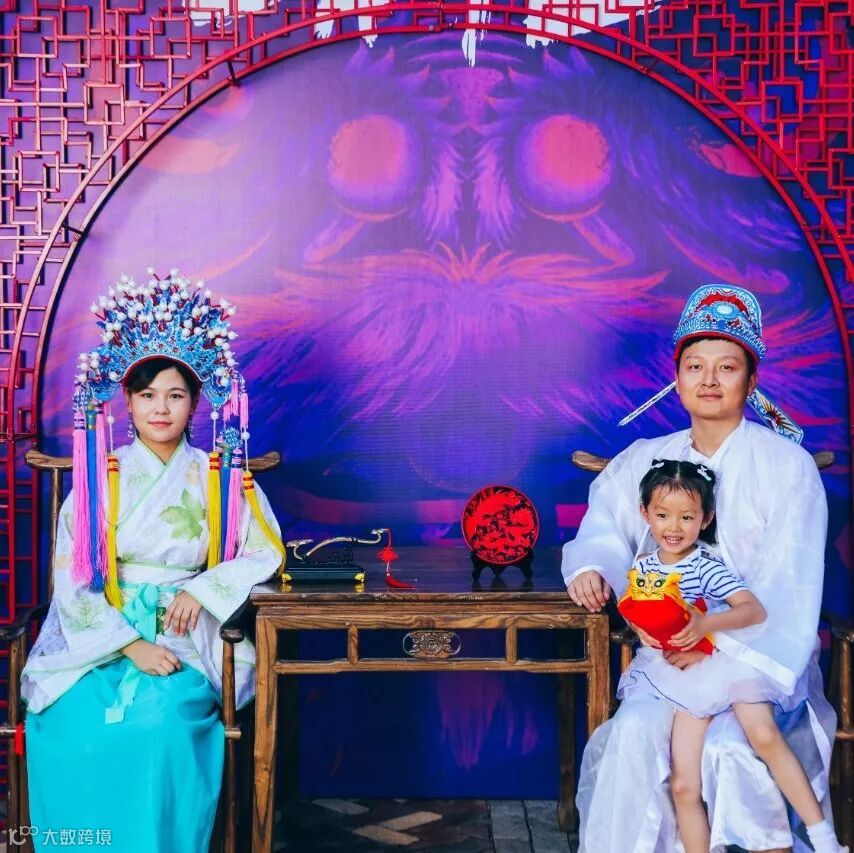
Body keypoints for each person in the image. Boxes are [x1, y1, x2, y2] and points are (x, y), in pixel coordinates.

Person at [563, 284, 839, 853]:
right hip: (669, 658)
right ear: (677, 377)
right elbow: (605, 527)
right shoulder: (647, 458)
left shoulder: (788, 467)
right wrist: (593, 567)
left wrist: (711, 642)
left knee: (730, 749)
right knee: (632, 735)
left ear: (751, 381)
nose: (709, 380)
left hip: (758, 661)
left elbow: (790, 584)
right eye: (695, 366)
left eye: (727, 367)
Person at [21, 270, 285, 852]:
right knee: (70, 722)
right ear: (128, 403)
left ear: (195, 404)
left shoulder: (219, 476)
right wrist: (128, 645)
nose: (160, 408)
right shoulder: (100, 479)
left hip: (187, 633)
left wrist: (204, 589)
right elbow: (73, 575)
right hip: (103, 633)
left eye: (175, 395)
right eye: (147, 395)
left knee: (161, 725)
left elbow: (266, 551)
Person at [621, 459, 846, 853]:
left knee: (763, 733)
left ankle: (824, 839)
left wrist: (704, 626)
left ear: (705, 518)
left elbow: (752, 611)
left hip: (722, 664)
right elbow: (638, 609)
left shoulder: (706, 565)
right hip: (680, 679)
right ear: (645, 514)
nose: (674, 527)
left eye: (687, 517)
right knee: (683, 785)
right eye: (662, 515)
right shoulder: (644, 567)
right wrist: (642, 628)